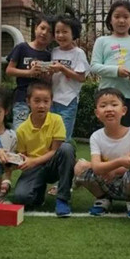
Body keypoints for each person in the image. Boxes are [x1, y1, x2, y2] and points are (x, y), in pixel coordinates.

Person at [74, 88, 130, 219]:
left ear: (124, 110)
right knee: (81, 169)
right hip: (105, 182)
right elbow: (96, 167)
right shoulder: (96, 136)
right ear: (97, 113)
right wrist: (120, 161)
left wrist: (115, 170)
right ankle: (103, 198)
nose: (109, 109)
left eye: (114, 104)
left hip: (128, 181)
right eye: (103, 106)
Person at [12, 81, 76, 217]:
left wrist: (33, 161)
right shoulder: (21, 129)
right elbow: (23, 156)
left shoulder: (57, 120)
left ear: (51, 102)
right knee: (21, 198)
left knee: (66, 148)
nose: (41, 105)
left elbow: (55, 150)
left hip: (53, 164)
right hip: (34, 168)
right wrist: (17, 162)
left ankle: (62, 199)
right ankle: (38, 191)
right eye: (37, 101)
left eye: (46, 101)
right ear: (28, 101)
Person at [90, 0, 130, 127]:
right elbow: (94, 66)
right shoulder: (102, 41)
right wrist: (116, 71)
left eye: (126, 17)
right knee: (107, 132)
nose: (121, 21)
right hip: (106, 95)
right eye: (117, 16)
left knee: (128, 131)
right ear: (110, 20)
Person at [6, 15, 53, 130]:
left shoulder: (49, 55)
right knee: (20, 129)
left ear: (53, 37)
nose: (44, 33)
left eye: (49, 31)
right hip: (22, 97)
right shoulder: (22, 48)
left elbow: (48, 81)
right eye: (42, 28)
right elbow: (9, 70)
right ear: (35, 28)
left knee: (38, 129)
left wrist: (46, 76)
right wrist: (29, 72)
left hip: (40, 101)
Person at [50, 13, 90, 141]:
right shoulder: (54, 51)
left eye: (65, 32)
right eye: (57, 32)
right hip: (51, 99)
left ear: (74, 33)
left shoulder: (78, 53)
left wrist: (62, 69)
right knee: (49, 136)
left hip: (68, 100)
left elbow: (81, 77)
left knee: (63, 137)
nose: (60, 35)